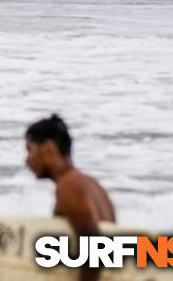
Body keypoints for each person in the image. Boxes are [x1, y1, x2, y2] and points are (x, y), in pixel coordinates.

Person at [25, 114, 115, 281]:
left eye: (30, 150)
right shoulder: (94, 186)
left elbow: (94, 245)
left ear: (49, 149)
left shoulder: (68, 185)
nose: (27, 160)